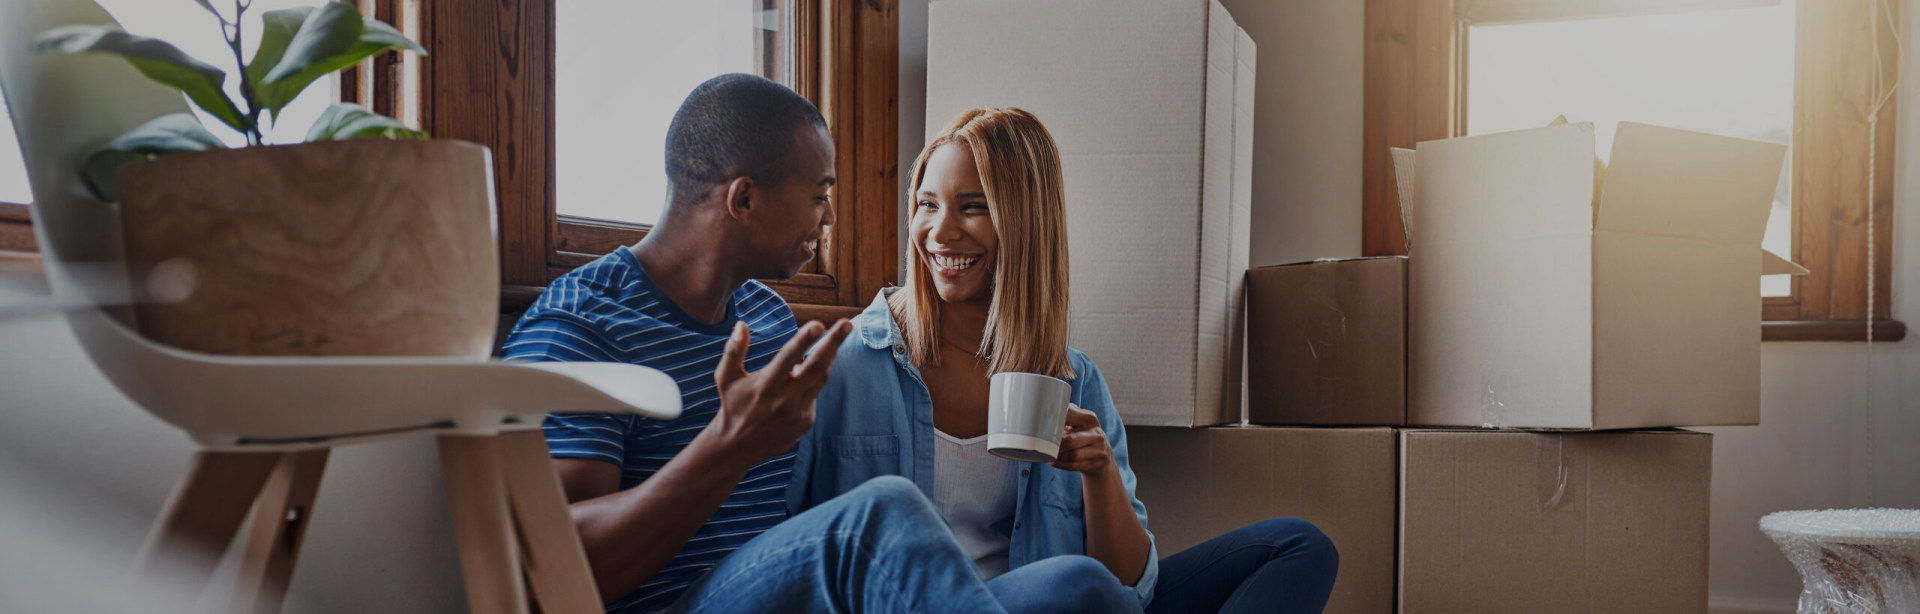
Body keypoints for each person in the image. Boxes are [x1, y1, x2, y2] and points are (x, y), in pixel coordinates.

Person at [789, 108, 1342, 614]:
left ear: (1027, 223)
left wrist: (1100, 474)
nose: (940, 231)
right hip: (932, 603)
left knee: (1297, 546)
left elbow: (1130, 585)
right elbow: (780, 552)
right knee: (1073, 584)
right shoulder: (844, 364)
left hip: (1057, 601)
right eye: (927, 204)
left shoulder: (1072, 379)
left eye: (973, 207)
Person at [502, 74, 1010, 614]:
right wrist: (730, 443)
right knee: (882, 514)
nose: (831, 216)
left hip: (785, 593)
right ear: (743, 199)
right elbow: (548, 572)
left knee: (1073, 584)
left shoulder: (769, 320)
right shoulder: (581, 325)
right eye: (819, 195)